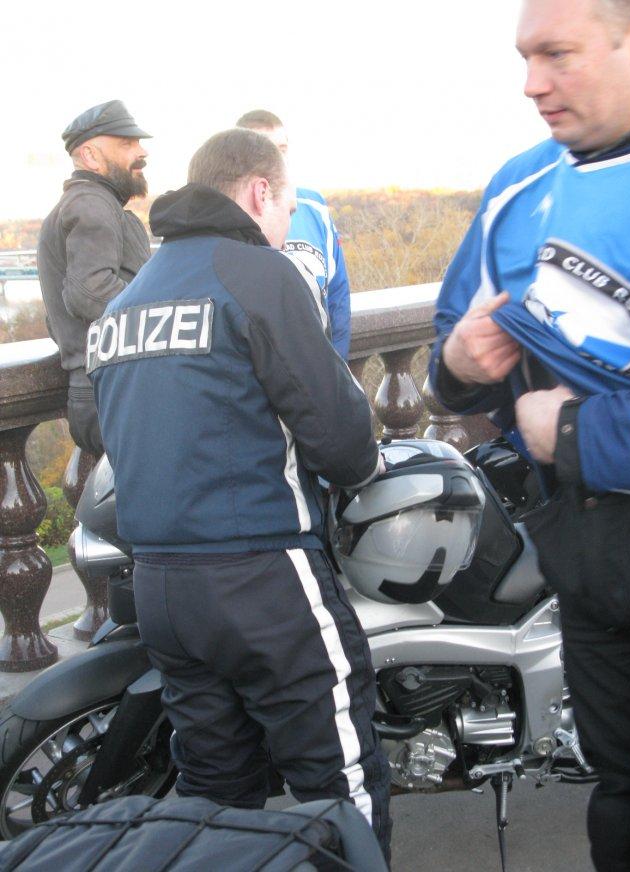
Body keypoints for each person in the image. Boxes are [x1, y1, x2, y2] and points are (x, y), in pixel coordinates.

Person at [87, 128, 391, 859]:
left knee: (215, 799)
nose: (285, 224)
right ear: (259, 192)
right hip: (262, 579)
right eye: (285, 207)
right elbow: (342, 439)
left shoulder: (126, 302)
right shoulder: (259, 274)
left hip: (160, 586)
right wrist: (362, 469)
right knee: (339, 787)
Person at [429, 1, 630, 869]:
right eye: (524, 57)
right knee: (622, 796)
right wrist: (458, 363)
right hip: (592, 559)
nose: (531, 83)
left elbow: (565, 426)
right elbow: (452, 350)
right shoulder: (517, 188)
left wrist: (574, 431)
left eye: (558, 54)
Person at [37, 100, 151, 456]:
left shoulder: (89, 202)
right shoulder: (91, 203)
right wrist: (163, 312)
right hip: (112, 389)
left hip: (102, 388)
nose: (141, 152)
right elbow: (89, 291)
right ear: (90, 156)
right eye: (126, 143)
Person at [236, 110, 352, 359]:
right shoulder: (229, 213)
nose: (278, 159)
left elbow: (337, 293)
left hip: (319, 367)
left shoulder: (314, 206)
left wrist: (337, 364)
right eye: (267, 149)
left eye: (282, 148)